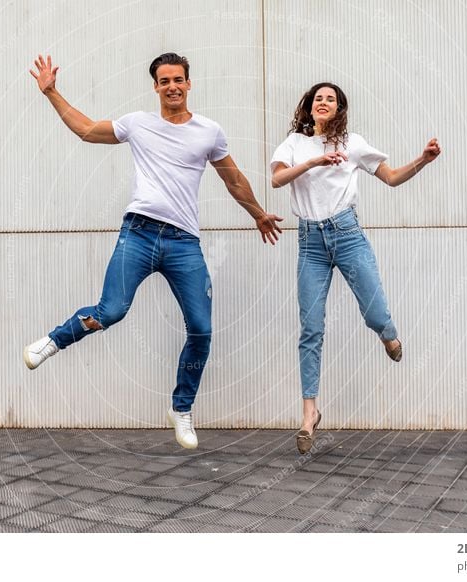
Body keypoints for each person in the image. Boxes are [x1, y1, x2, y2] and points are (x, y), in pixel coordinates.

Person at [23, 53, 283, 450]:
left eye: (178, 79)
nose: (172, 86)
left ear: (189, 83)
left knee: (202, 329)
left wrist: (259, 214)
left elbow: (234, 180)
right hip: (139, 234)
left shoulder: (208, 132)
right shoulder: (138, 124)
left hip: (183, 243)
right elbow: (88, 130)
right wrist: (51, 92)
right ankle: (55, 340)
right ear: (156, 86)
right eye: (164, 81)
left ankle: (181, 409)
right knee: (111, 311)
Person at [270, 82, 441, 454]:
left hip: (347, 235)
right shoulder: (295, 144)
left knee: (374, 311)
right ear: (309, 107)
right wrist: (314, 161)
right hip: (310, 242)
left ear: (339, 107)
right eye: (318, 98)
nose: (323, 102)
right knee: (310, 327)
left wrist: (422, 160)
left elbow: (392, 177)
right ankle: (309, 415)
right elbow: (277, 178)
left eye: (330, 99)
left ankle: (388, 334)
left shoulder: (353, 144)